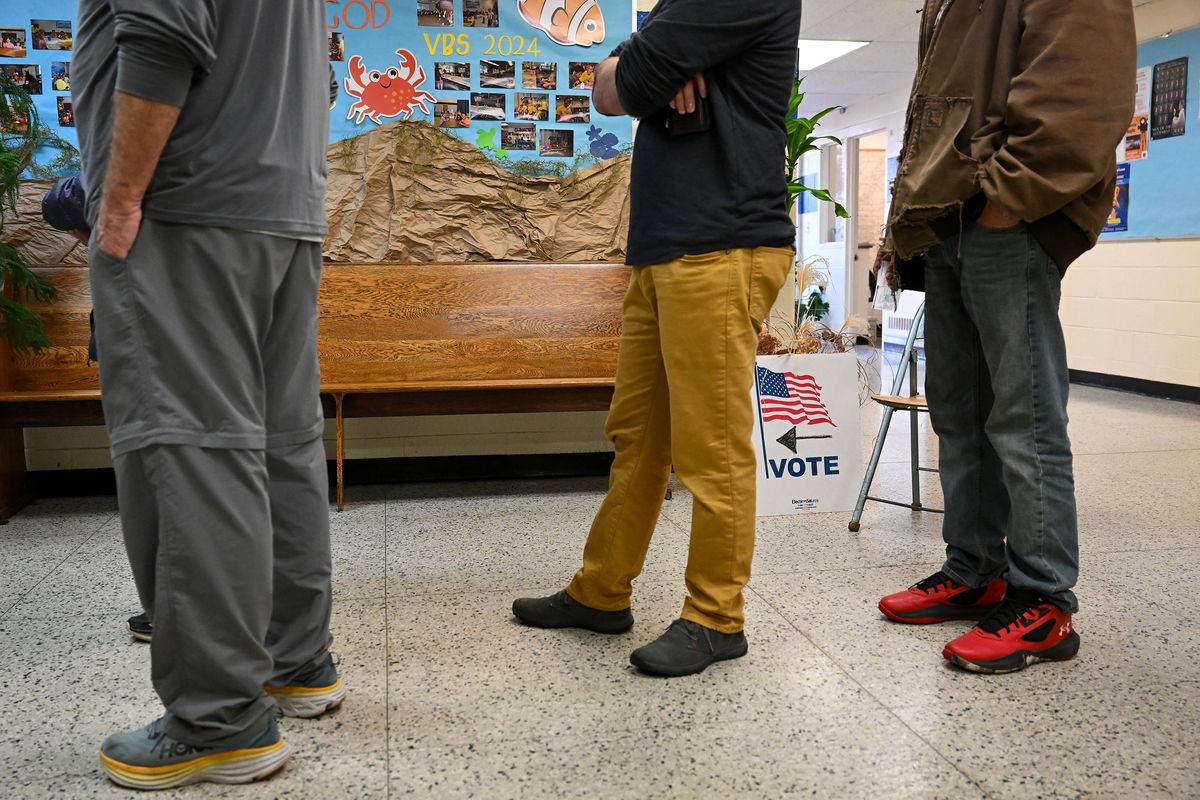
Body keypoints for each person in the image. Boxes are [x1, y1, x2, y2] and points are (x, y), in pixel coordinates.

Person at [73, 0, 341, 788]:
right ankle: (298, 662)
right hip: (281, 205)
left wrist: (118, 200)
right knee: (280, 443)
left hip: (185, 203)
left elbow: (161, 36)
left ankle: (218, 719)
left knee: (192, 449)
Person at [512, 0, 800, 677]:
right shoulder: (675, 9)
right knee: (639, 433)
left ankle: (716, 617)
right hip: (665, 247)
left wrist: (634, 71)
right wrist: (630, 68)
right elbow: (609, 86)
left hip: (722, 243)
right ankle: (601, 591)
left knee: (711, 447)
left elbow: (630, 84)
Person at [875, 0, 1136, 674]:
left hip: (1003, 222)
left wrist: (1004, 204)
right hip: (947, 223)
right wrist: (905, 223)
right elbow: (934, 111)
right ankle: (974, 570)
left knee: (1024, 419)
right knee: (959, 415)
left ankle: (1044, 599)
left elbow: (1083, 93)